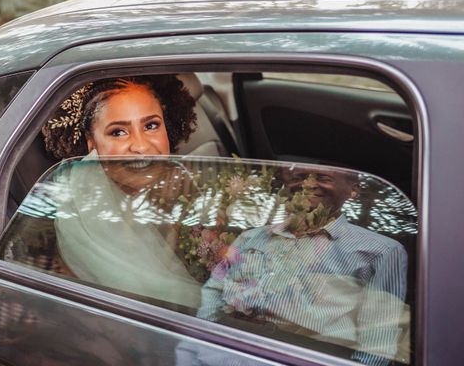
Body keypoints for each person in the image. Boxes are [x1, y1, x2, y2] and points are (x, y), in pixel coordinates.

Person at [197, 166, 408, 365]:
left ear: (353, 190)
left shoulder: (381, 251)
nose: (307, 184)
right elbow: (213, 292)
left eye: (323, 178)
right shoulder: (250, 238)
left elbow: (377, 345)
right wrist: (203, 350)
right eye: (299, 177)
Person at [39, 75, 204, 307]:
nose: (141, 146)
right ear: (92, 143)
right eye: (118, 132)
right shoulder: (84, 216)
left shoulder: (185, 181)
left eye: (151, 125)